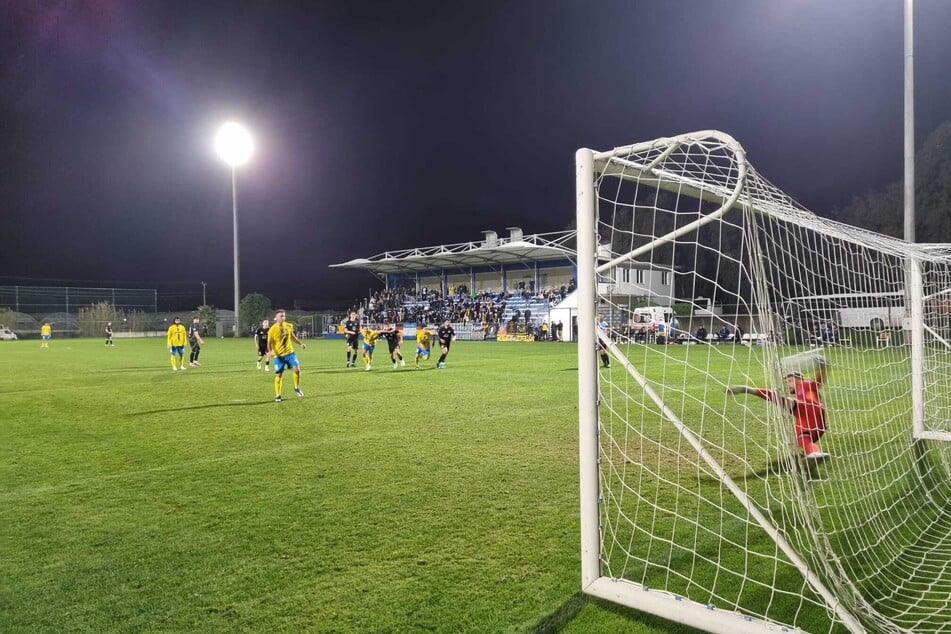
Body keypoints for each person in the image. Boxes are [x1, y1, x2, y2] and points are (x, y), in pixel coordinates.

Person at [726, 358, 830, 459]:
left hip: (808, 409)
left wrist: (822, 367)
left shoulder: (806, 385)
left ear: (798, 379)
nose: (787, 384)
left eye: (789, 381)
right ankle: (814, 452)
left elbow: (818, 380)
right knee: (802, 438)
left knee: (778, 398)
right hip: (814, 422)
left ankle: (749, 390)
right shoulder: (803, 391)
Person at [267, 309, 306, 402]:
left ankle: (296, 387)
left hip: (290, 353)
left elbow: (292, 336)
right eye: (281, 316)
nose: (283, 317)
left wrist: (300, 344)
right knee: (279, 375)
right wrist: (270, 352)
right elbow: (269, 343)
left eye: (284, 316)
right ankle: (278, 395)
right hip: (279, 356)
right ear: (276, 318)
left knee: (297, 369)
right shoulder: (272, 330)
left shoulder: (288, 326)